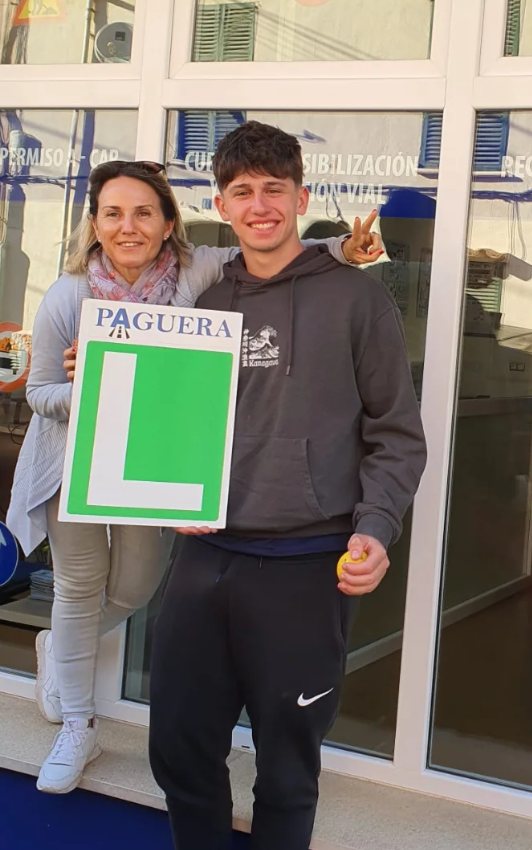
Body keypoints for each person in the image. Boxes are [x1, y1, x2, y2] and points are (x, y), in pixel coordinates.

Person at [6, 158, 382, 796]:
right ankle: (78, 720)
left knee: (133, 588)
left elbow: (268, 244)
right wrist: (94, 388)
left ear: (167, 221)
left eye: (144, 212)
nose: (129, 226)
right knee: (77, 588)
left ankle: (59, 652)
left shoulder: (197, 270)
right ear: (94, 224)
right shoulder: (69, 295)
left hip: (154, 465)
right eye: (113, 213)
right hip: (73, 466)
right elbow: (38, 392)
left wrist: (341, 247)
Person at [148, 123, 427, 850]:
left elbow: (396, 435)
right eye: (243, 192)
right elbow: (161, 420)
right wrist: (160, 486)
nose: (260, 205)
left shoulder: (357, 302)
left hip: (308, 566)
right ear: (221, 203)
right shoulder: (199, 302)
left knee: (287, 768)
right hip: (203, 556)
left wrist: (374, 528)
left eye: (275, 189)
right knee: (179, 748)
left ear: (301, 196)